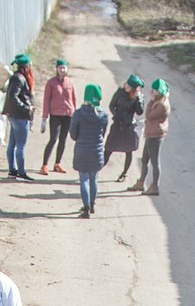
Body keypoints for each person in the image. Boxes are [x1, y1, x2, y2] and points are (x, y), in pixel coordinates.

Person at [69, 83, 108, 218]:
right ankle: (92, 205)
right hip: (97, 151)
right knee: (94, 178)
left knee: (84, 179)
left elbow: (73, 135)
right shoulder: (103, 115)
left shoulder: (79, 114)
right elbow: (103, 133)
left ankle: (85, 208)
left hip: (82, 150)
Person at [129, 78, 169, 196]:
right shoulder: (159, 101)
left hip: (155, 135)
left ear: (159, 92)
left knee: (155, 162)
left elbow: (149, 115)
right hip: (151, 134)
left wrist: (151, 101)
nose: (152, 92)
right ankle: (141, 182)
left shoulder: (161, 104)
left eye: (154, 91)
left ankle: (155, 186)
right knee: (144, 160)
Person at [40, 60, 77, 175]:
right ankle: (44, 165)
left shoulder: (70, 82)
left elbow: (74, 99)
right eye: (60, 68)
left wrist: (75, 114)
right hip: (55, 114)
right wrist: (44, 117)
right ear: (56, 69)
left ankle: (57, 163)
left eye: (64, 68)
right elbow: (46, 100)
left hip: (67, 114)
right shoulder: (51, 83)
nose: (62, 70)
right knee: (53, 139)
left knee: (63, 140)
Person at [104, 75, 144, 182]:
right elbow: (112, 105)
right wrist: (116, 115)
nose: (126, 86)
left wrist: (139, 100)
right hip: (118, 124)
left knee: (128, 151)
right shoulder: (120, 92)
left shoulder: (136, 96)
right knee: (108, 148)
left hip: (129, 126)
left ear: (134, 88)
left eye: (129, 86)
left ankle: (124, 173)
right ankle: (96, 170)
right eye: (126, 84)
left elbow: (140, 112)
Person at [4, 53, 36, 180]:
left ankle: (12, 170)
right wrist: (27, 107)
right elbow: (13, 96)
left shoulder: (17, 77)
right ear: (26, 66)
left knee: (13, 143)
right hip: (19, 116)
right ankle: (21, 173)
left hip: (14, 115)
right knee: (20, 145)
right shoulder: (19, 78)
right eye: (30, 65)